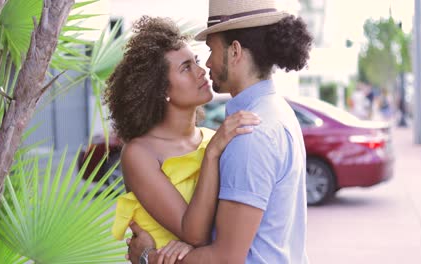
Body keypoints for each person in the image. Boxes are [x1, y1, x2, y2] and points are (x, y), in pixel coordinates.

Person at [127, 0, 313, 263]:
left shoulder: (249, 134)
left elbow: (224, 258)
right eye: (186, 66)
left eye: (210, 51)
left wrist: (147, 257)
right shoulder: (275, 113)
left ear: (234, 51)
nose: (207, 66)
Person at [104, 15, 260, 258]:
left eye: (196, 61)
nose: (202, 71)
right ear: (162, 89)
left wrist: (189, 246)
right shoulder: (139, 153)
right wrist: (210, 155)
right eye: (186, 67)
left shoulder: (213, 139)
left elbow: (222, 230)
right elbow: (194, 233)